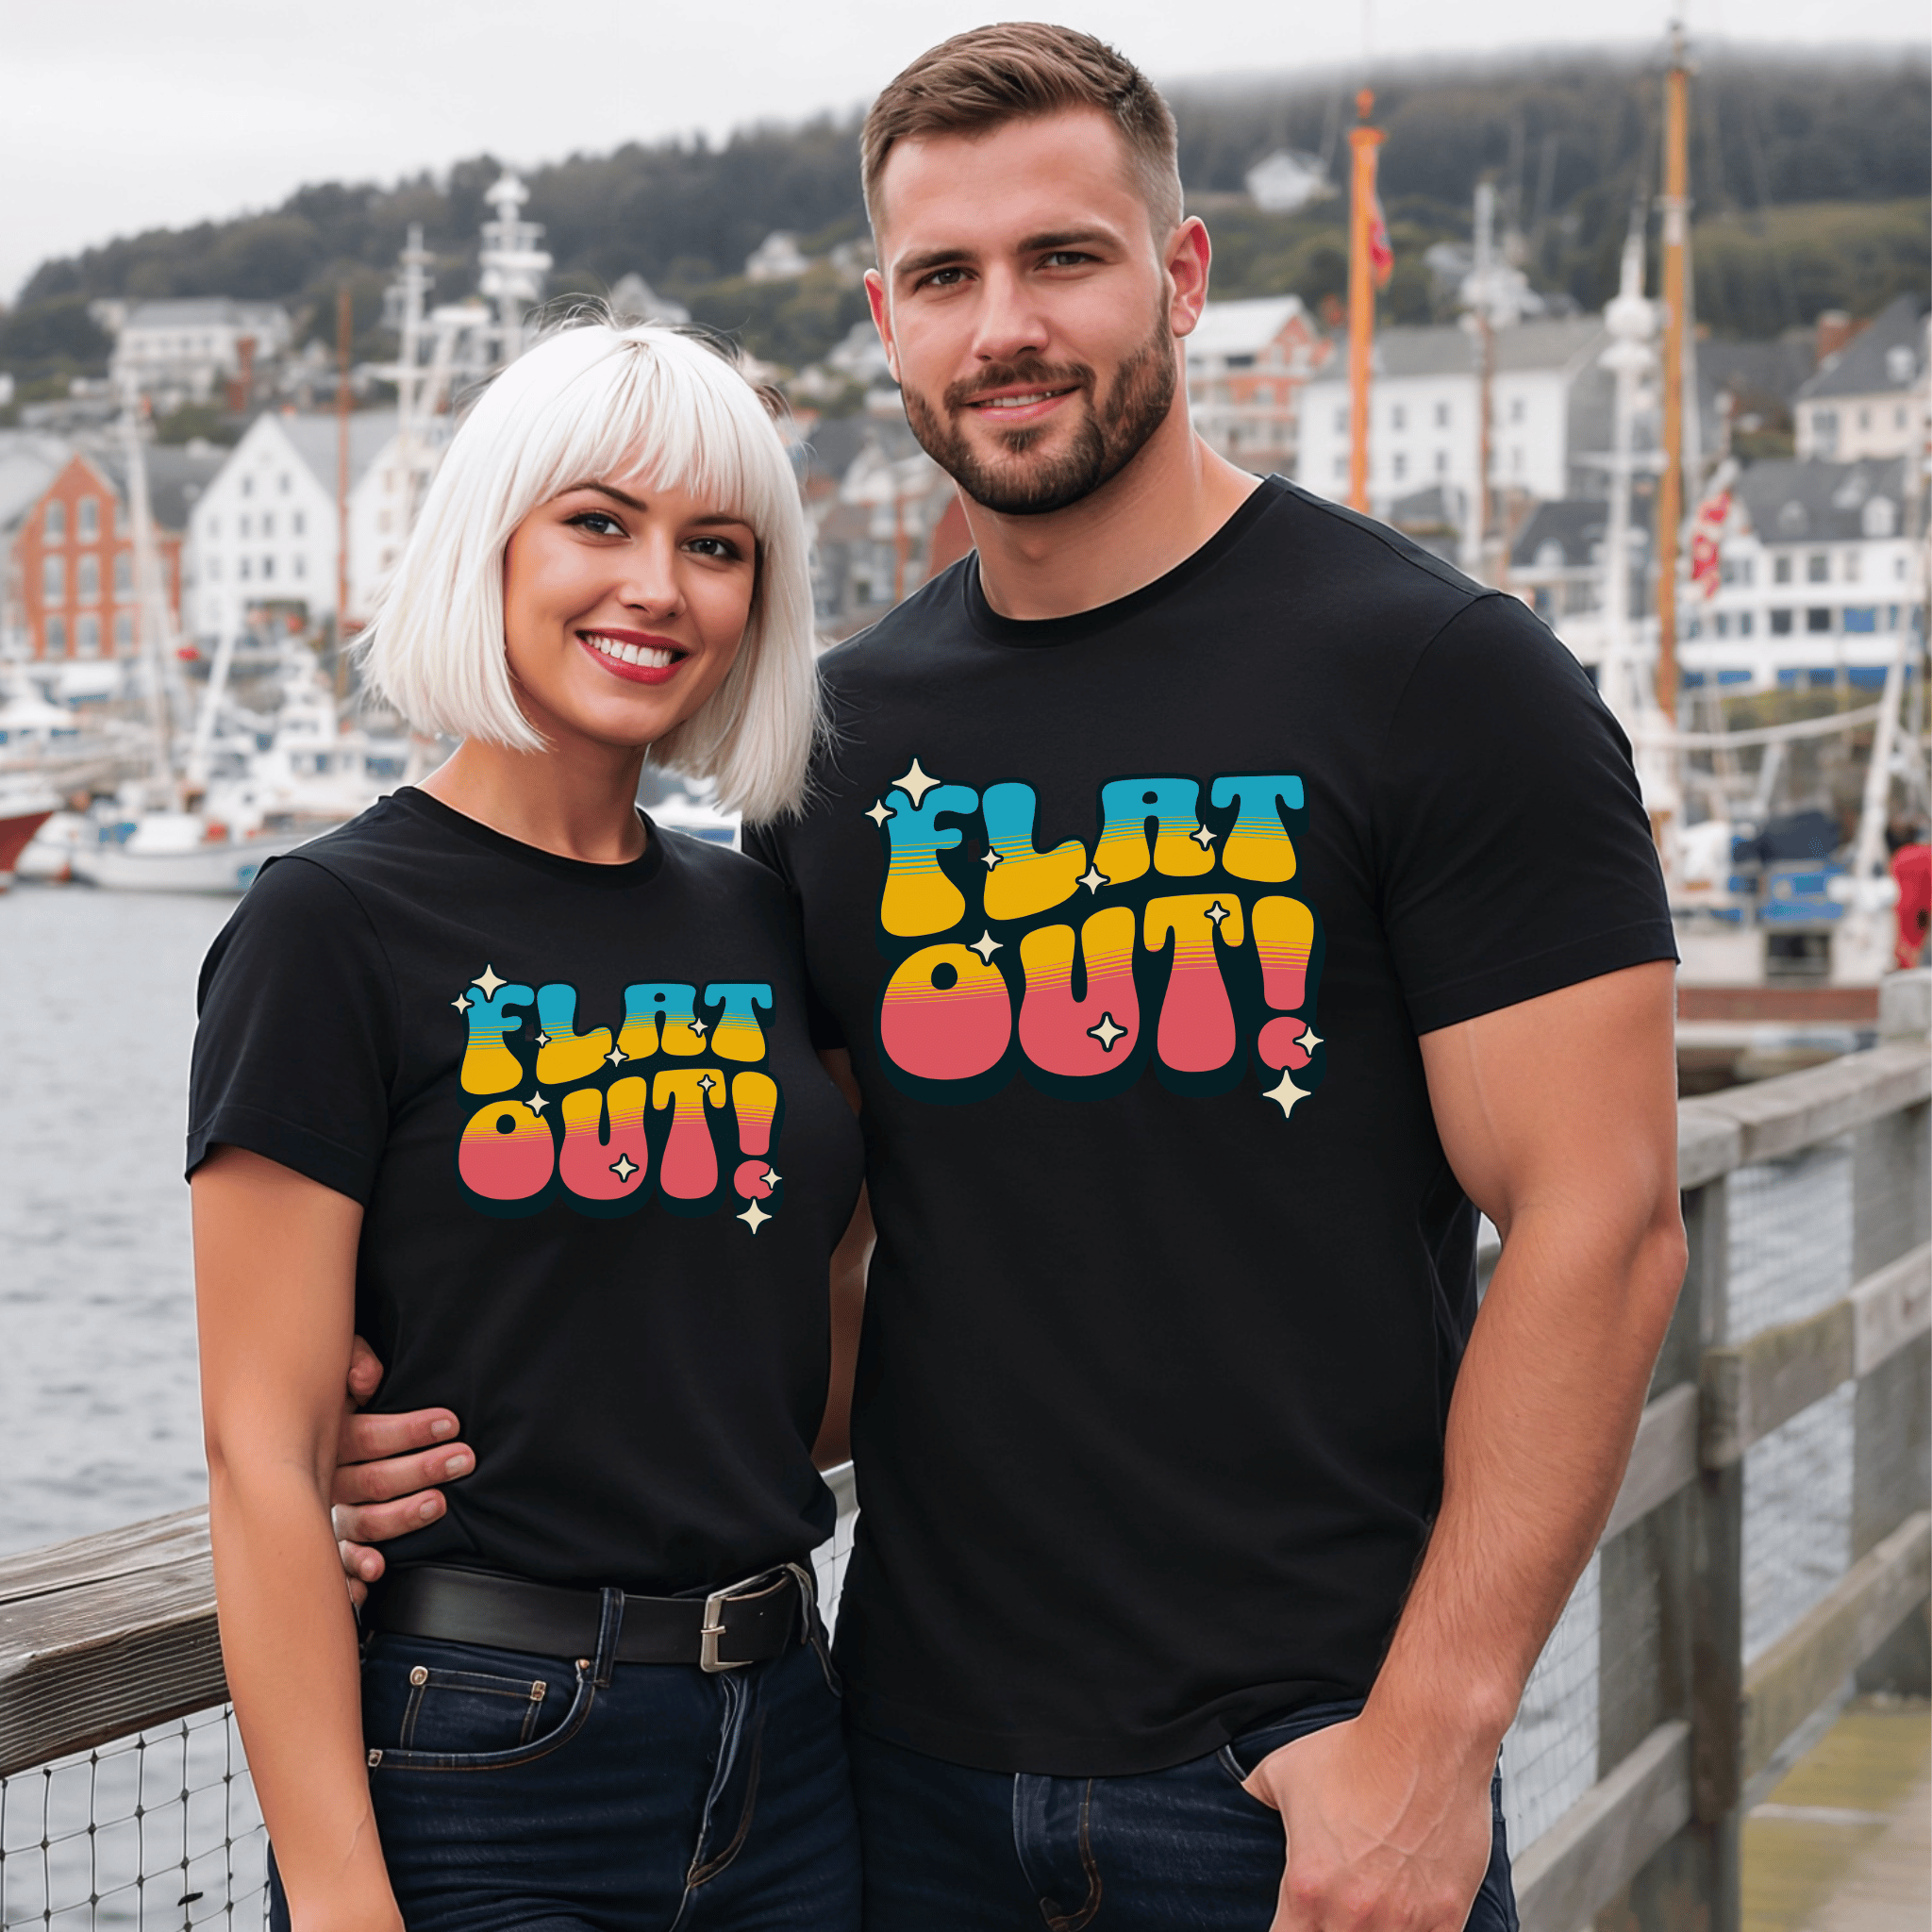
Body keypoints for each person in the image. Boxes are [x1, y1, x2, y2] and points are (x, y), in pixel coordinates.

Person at [334, 25, 1688, 1932]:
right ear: (885, 320)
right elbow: (788, 1258)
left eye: (1064, 258)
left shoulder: (1438, 677)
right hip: (895, 1778)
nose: (1006, 328)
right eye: (946, 276)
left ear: (1183, 275)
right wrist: (428, 1445)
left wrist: (1432, 1743)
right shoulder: (838, 748)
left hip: (1299, 1781)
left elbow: (1602, 1224)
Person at [190, 320, 866, 1932]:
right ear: (489, 539)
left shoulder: (763, 921)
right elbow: (259, 1456)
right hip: (483, 1759)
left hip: (787, 1739)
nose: (658, 587)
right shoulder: (329, 926)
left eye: (716, 546)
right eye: (598, 523)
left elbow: (804, 1350)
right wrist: (341, 1900)